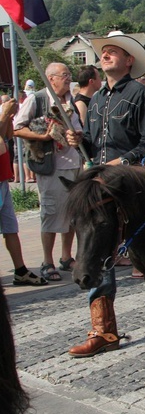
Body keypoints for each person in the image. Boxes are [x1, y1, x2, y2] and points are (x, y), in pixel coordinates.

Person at [65, 31, 145, 357]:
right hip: (100, 188)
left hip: (132, 185)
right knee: (96, 246)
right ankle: (104, 331)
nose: (105, 55)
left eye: (112, 52)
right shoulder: (96, 101)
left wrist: (122, 163)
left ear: (128, 60)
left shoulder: (140, 95)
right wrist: (77, 140)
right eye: (103, 52)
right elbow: (92, 146)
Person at [14, 62, 83, 282]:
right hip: (50, 166)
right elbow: (17, 127)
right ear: (50, 78)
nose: (68, 78)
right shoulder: (39, 99)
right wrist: (43, 137)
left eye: (69, 74)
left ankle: (65, 257)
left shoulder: (71, 100)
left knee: (72, 214)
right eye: (64, 75)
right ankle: (47, 261)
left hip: (73, 163)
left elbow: (79, 129)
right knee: (51, 214)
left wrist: (78, 138)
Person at [0, 98, 47, 286]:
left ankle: (20, 271)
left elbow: (6, 136)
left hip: (2, 177)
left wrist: (9, 116)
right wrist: (4, 114)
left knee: (11, 228)